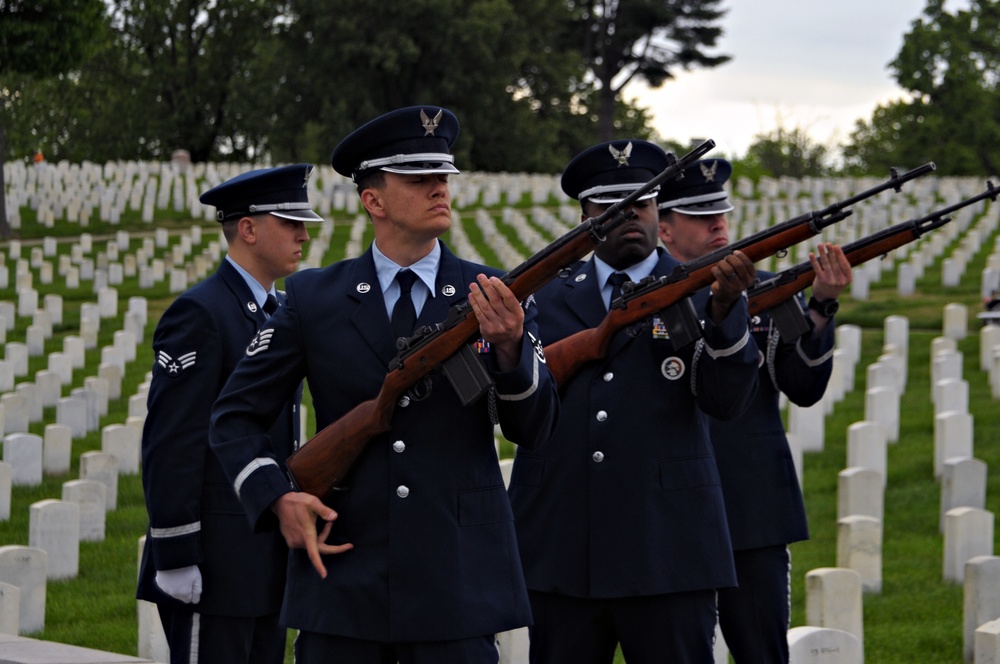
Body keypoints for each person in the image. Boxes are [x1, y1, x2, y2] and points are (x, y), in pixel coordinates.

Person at [209, 105, 559, 664]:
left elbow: (535, 427)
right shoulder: (312, 300)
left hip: (458, 583)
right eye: (419, 178)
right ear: (373, 200)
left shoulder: (493, 294)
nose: (438, 188)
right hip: (346, 578)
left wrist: (514, 348)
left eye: (442, 176)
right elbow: (234, 418)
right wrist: (276, 496)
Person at [507, 139, 760, 663]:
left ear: (657, 210)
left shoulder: (701, 289)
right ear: (585, 216)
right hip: (562, 546)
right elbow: (520, 415)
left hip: (669, 546)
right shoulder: (543, 296)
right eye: (610, 207)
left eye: (641, 205)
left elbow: (725, 401)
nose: (629, 217)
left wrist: (725, 310)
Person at [657, 158, 852, 663]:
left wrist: (821, 306)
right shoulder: (648, 297)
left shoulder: (765, 292)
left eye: (721, 212)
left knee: (761, 652)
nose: (718, 223)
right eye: (700, 216)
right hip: (668, 507)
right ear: (665, 227)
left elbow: (803, 385)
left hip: (750, 503)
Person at [136, 163, 325, 663]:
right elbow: (172, 441)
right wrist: (176, 553)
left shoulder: (278, 312)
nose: (304, 235)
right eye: (291, 223)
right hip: (214, 561)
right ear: (248, 228)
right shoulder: (202, 313)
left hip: (264, 557)